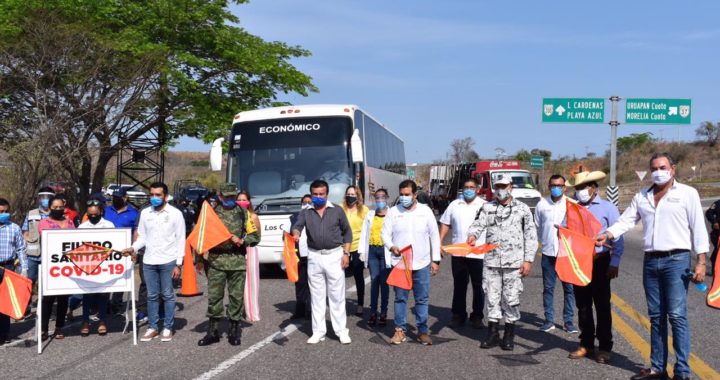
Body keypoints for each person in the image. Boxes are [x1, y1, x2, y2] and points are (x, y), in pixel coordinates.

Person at [597, 153, 709, 380]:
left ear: (673, 169)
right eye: (654, 168)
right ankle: (658, 368)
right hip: (650, 261)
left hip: (676, 260)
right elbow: (627, 220)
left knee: (677, 316)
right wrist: (607, 233)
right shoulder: (643, 195)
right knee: (656, 316)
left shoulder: (687, 193)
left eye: (663, 167)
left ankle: (682, 371)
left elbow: (698, 228)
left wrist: (701, 261)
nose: (658, 171)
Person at [467, 174, 537, 351]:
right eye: (497, 186)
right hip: (492, 262)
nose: (500, 189)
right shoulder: (487, 207)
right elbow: (477, 224)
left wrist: (528, 260)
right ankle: (492, 334)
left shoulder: (522, 209)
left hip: (513, 263)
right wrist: (472, 235)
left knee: (511, 299)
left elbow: (530, 236)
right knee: (492, 298)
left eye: (503, 186)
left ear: (511, 187)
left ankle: (508, 335)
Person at [565, 171, 623, 364]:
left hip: (600, 262)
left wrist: (614, 262)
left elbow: (618, 236)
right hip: (579, 262)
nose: (580, 191)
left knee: (602, 306)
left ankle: (605, 347)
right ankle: (586, 343)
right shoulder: (573, 209)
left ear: (593, 188)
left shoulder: (608, 207)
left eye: (583, 187)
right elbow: (567, 233)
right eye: (577, 188)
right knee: (582, 306)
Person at [122, 182, 186, 343]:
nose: (154, 198)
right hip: (149, 260)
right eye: (152, 195)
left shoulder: (175, 214)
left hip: (168, 260)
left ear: (165, 196)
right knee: (151, 295)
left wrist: (178, 263)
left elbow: (180, 240)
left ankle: (168, 327)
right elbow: (142, 237)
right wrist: (133, 248)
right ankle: (153, 327)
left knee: (167, 295)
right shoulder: (145, 213)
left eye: (158, 195)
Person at [197, 185, 260, 346]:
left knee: (236, 298)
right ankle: (213, 332)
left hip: (237, 261)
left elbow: (255, 236)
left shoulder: (243, 213)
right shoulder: (211, 214)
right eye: (227, 197)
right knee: (214, 298)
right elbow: (200, 236)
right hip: (216, 261)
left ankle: (234, 331)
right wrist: (198, 260)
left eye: (233, 197)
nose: (230, 200)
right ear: (219, 196)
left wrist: (243, 241)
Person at [292, 180, 353, 345]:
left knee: (336, 295)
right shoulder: (306, 212)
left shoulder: (337, 211)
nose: (318, 197)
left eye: (321, 194)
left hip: (334, 255)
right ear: (311, 194)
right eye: (315, 194)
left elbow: (347, 233)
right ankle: (318, 331)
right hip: (314, 257)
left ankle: (341, 331)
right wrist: (296, 233)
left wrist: (346, 253)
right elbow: (297, 226)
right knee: (317, 296)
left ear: (327, 194)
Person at [382, 180, 441, 346]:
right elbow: (385, 234)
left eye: (407, 194)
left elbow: (434, 236)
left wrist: (435, 260)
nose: (403, 197)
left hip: (421, 264)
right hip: (401, 264)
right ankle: (399, 330)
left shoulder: (425, 211)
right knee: (400, 299)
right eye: (401, 194)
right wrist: (391, 246)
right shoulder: (393, 212)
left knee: (421, 299)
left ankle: (422, 331)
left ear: (415, 195)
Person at [439, 178, 486, 329]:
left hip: (478, 253)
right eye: (466, 187)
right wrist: (440, 241)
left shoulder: (485, 206)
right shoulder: (454, 205)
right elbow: (445, 223)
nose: (469, 189)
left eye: (472, 187)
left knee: (479, 286)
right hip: (458, 253)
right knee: (459, 285)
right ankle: (458, 315)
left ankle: (477, 316)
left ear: (478, 189)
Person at [534, 175, 578, 334]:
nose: (556, 187)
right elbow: (537, 227)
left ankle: (568, 321)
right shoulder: (542, 204)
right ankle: (549, 320)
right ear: (549, 186)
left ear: (564, 187)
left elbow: (578, 229)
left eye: (559, 185)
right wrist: (544, 241)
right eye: (553, 185)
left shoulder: (572, 204)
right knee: (548, 288)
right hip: (548, 253)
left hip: (566, 254)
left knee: (569, 289)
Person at [39, 195, 76, 340]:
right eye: (55, 207)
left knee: (63, 299)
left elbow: (74, 240)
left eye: (61, 207)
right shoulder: (44, 222)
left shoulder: (69, 222)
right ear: (49, 208)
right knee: (48, 299)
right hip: (51, 265)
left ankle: (59, 327)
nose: (58, 210)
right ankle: (44, 329)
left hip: (65, 265)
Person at [78, 200, 115, 337]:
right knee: (86, 294)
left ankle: (102, 321)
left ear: (100, 212)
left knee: (103, 294)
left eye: (95, 213)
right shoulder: (82, 227)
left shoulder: (109, 225)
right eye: (90, 214)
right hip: (88, 265)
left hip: (104, 265)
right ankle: (85, 322)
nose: (93, 216)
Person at [104, 187, 141, 315]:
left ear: (125, 198)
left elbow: (136, 232)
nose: (116, 200)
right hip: (106, 251)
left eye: (119, 197)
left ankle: (116, 303)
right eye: (114, 197)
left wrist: (134, 249)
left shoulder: (134, 213)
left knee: (121, 278)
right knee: (105, 276)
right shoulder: (105, 211)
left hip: (124, 251)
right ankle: (103, 303)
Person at [358, 188, 391, 326]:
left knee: (384, 282)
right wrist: (362, 252)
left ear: (387, 198)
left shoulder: (392, 214)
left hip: (385, 252)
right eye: (377, 198)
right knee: (374, 281)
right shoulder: (370, 214)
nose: (380, 200)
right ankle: (373, 312)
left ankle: (383, 313)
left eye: (382, 197)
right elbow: (364, 233)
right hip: (372, 251)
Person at [0, 198, 27, 344]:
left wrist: (24, 268)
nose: (4, 214)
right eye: (0, 212)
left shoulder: (14, 228)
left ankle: (3, 334)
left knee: (4, 303)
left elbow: (21, 249)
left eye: (6, 211)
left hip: (8, 267)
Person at [341, 185, 369, 316]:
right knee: (339, 276)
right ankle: (339, 302)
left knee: (358, 276)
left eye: (353, 194)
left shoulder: (364, 210)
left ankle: (360, 304)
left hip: (358, 247)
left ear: (358, 196)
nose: (350, 196)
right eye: (348, 194)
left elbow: (369, 229)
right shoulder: (340, 209)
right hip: (342, 247)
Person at [22, 187, 55, 290]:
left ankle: (44, 304)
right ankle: (28, 305)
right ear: (39, 198)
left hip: (51, 256)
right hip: (33, 256)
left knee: (48, 283)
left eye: (48, 197)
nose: (45, 200)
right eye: (43, 197)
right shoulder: (31, 214)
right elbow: (25, 231)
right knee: (29, 282)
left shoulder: (57, 213)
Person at [290, 195, 312, 320]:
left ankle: (310, 310)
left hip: (312, 255)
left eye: (309, 202)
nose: (307, 204)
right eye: (304, 202)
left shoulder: (316, 217)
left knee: (311, 284)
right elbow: (288, 234)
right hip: (298, 256)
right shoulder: (294, 217)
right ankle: (300, 309)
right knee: (300, 283)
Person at [705, 198, 720, 275]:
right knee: (717, 251)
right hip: (717, 233)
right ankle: (715, 270)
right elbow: (708, 213)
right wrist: (714, 222)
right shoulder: (718, 203)